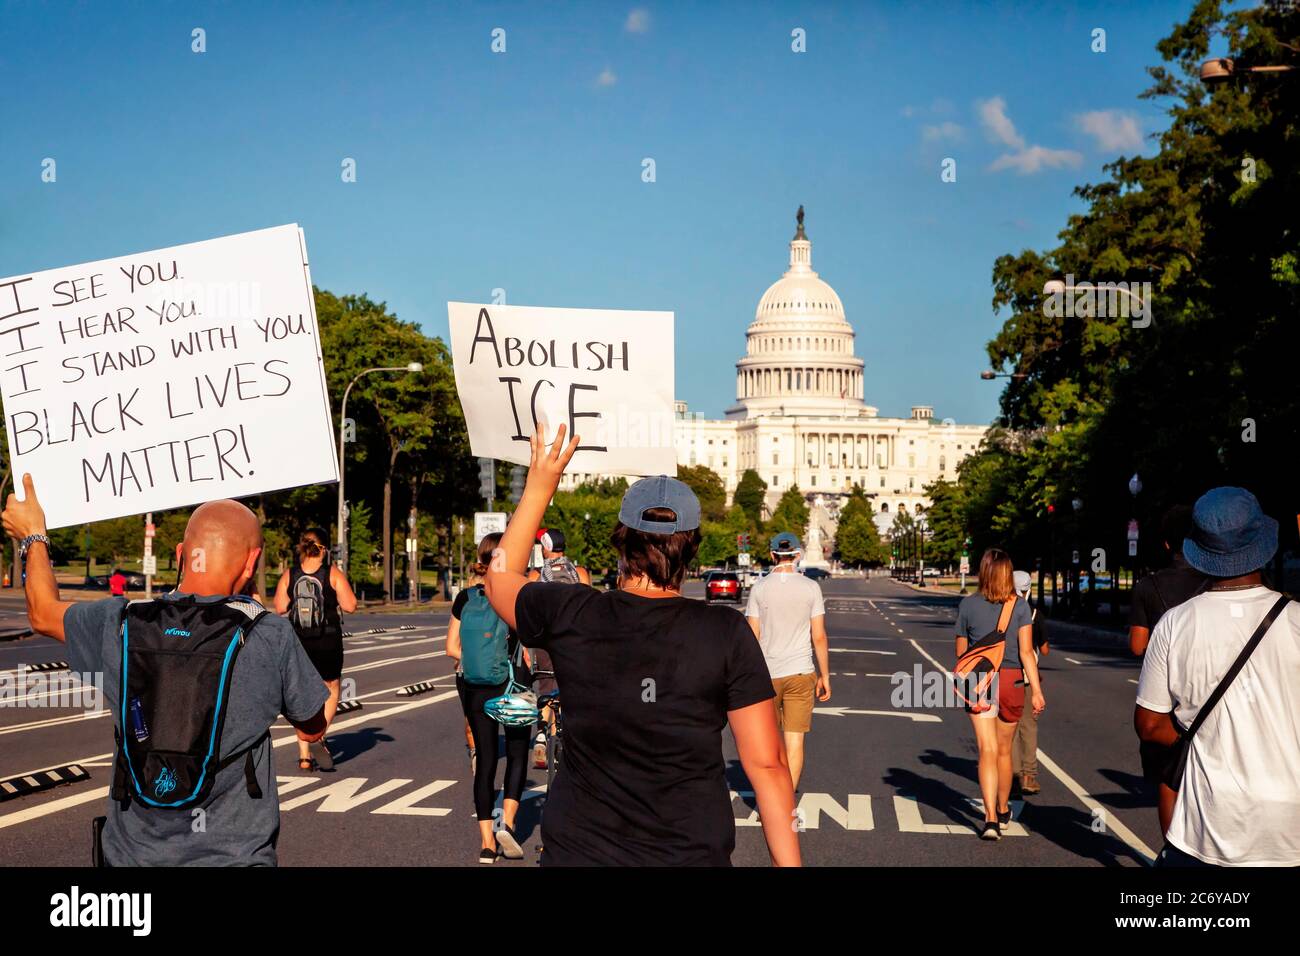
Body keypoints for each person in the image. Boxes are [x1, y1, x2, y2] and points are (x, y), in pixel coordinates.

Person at [485, 426, 800, 866]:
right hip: (689, 854)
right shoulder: (725, 632)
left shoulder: (574, 613)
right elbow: (768, 768)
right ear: (691, 547)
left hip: (581, 852)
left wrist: (541, 485)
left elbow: (499, 576)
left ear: (622, 541)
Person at [1, 475, 329, 866]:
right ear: (252, 561)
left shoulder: (121, 622)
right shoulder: (269, 635)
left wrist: (33, 535)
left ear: (179, 554)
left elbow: (41, 612)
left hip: (130, 862)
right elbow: (312, 728)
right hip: (233, 858)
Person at [1135, 487, 1299, 867]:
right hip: (1291, 827)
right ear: (1263, 544)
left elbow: (1149, 724)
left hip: (1207, 825)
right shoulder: (1296, 621)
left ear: (1200, 548)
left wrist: (1194, 731)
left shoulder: (1175, 624)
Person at [446, 532, 530, 864]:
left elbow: (451, 647)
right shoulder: (516, 597)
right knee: (518, 752)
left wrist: (474, 658)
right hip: (512, 685)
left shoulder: (465, 598)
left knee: (485, 760)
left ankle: (486, 844)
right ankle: (506, 823)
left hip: (475, 686)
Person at [1126, 504, 1209, 834]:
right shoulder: (1216, 581)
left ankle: (1173, 849)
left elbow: (1136, 645)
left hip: (1170, 697)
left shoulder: (1149, 586)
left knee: (1169, 778)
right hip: (1214, 687)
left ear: (1165, 544)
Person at [955, 548, 1045, 840]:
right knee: (1005, 751)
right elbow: (1027, 653)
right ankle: (1004, 807)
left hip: (979, 681)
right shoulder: (1019, 607)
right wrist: (1037, 692)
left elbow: (961, 655)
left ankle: (990, 819)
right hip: (1011, 682)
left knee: (987, 751)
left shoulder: (967, 606)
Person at [744, 531, 831, 792]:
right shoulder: (810, 588)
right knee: (795, 742)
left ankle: (769, 797)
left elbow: (752, 636)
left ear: (772, 555)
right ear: (797, 555)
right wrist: (825, 675)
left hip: (766, 675)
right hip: (801, 672)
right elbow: (819, 637)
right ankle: (785, 800)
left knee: (768, 743)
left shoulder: (759, 588)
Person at [273, 527, 357, 772]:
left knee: (300, 695)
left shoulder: (291, 574)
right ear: (323, 549)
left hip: (298, 641)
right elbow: (350, 605)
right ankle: (320, 735)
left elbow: (279, 606)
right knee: (331, 688)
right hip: (327, 641)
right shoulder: (332, 573)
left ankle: (304, 756)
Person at [525, 528, 591, 767]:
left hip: (544, 640)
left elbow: (527, 611)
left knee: (546, 686)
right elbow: (588, 608)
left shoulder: (535, 575)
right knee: (566, 686)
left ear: (546, 547)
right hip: (572, 640)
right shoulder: (579, 572)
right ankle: (560, 735)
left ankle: (541, 735)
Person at [1010, 570, 1048, 796]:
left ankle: (1012, 773)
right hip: (1026, 677)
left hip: (1004, 675)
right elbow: (1044, 649)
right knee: (1029, 726)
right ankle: (1029, 775)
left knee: (1010, 727)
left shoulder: (1001, 611)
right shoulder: (1034, 614)